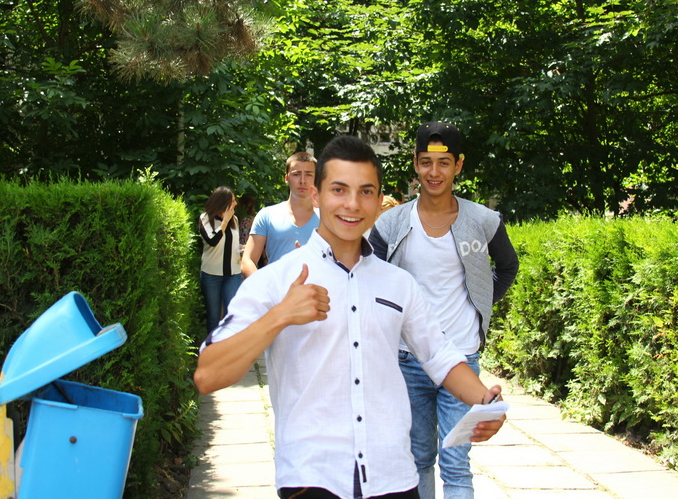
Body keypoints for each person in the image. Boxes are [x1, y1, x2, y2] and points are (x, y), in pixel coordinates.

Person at [195, 135, 506, 499]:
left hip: (394, 477)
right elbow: (208, 375)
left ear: (378, 201)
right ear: (316, 196)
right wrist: (279, 316)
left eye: (366, 192)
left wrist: (486, 402)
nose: (352, 204)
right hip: (313, 479)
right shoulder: (277, 280)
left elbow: (439, 355)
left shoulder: (399, 283)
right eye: (339, 190)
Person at [369, 122, 519, 499]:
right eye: (426, 162)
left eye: (443, 163)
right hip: (408, 359)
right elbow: (370, 278)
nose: (434, 172)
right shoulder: (391, 223)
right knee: (417, 458)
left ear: (458, 165)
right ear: (416, 164)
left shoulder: (482, 220)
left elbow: (508, 266)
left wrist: (479, 303)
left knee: (456, 463)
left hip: (461, 356)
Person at [241, 151, 319, 277]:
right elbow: (247, 261)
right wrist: (264, 286)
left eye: (309, 175)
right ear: (286, 178)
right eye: (296, 174)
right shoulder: (267, 215)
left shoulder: (329, 219)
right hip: (276, 289)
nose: (302, 180)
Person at [198, 186, 243, 334]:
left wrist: (243, 248)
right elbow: (213, 241)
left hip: (233, 274)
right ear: (223, 203)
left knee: (232, 313)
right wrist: (225, 221)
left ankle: (230, 344)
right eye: (232, 201)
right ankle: (212, 346)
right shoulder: (205, 219)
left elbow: (231, 244)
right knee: (214, 315)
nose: (235, 204)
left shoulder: (235, 220)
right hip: (212, 275)